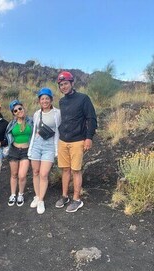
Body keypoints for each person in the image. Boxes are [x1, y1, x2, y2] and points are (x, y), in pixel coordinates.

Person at [55, 71, 97, 213]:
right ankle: (65, 196)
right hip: (63, 141)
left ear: (72, 83)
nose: (64, 87)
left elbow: (91, 118)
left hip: (78, 140)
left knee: (76, 170)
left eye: (66, 83)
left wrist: (89, 137)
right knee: (65, 170)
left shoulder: (83, 99)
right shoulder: (62, 101)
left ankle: (77, 199)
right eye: (61, 85)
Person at [28, 88, 61, 214]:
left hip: (49, 146)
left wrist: (57, 149)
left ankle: (41, 200)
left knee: (43, 174)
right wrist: (31, 147)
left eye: (47, 98)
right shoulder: (37, 114)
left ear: (51, 99)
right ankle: (37, 196)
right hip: (37, 144)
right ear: (39, 101)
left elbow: (59, 130)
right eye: (42, 98)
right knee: (35, 172)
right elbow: (34, 130)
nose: (45, 101)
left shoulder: (57, 113)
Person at [5, 100, 33, 207]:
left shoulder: (31, 121)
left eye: (20, 108)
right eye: (15, 111)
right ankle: (13, 194)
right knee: (14, 174)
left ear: (23, 108)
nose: (18, 111)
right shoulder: (11, 124)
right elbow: (5, 136)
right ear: (13, 113)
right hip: (14, 150)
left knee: (22, 175)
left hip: (26, 151)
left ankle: (20, 194)